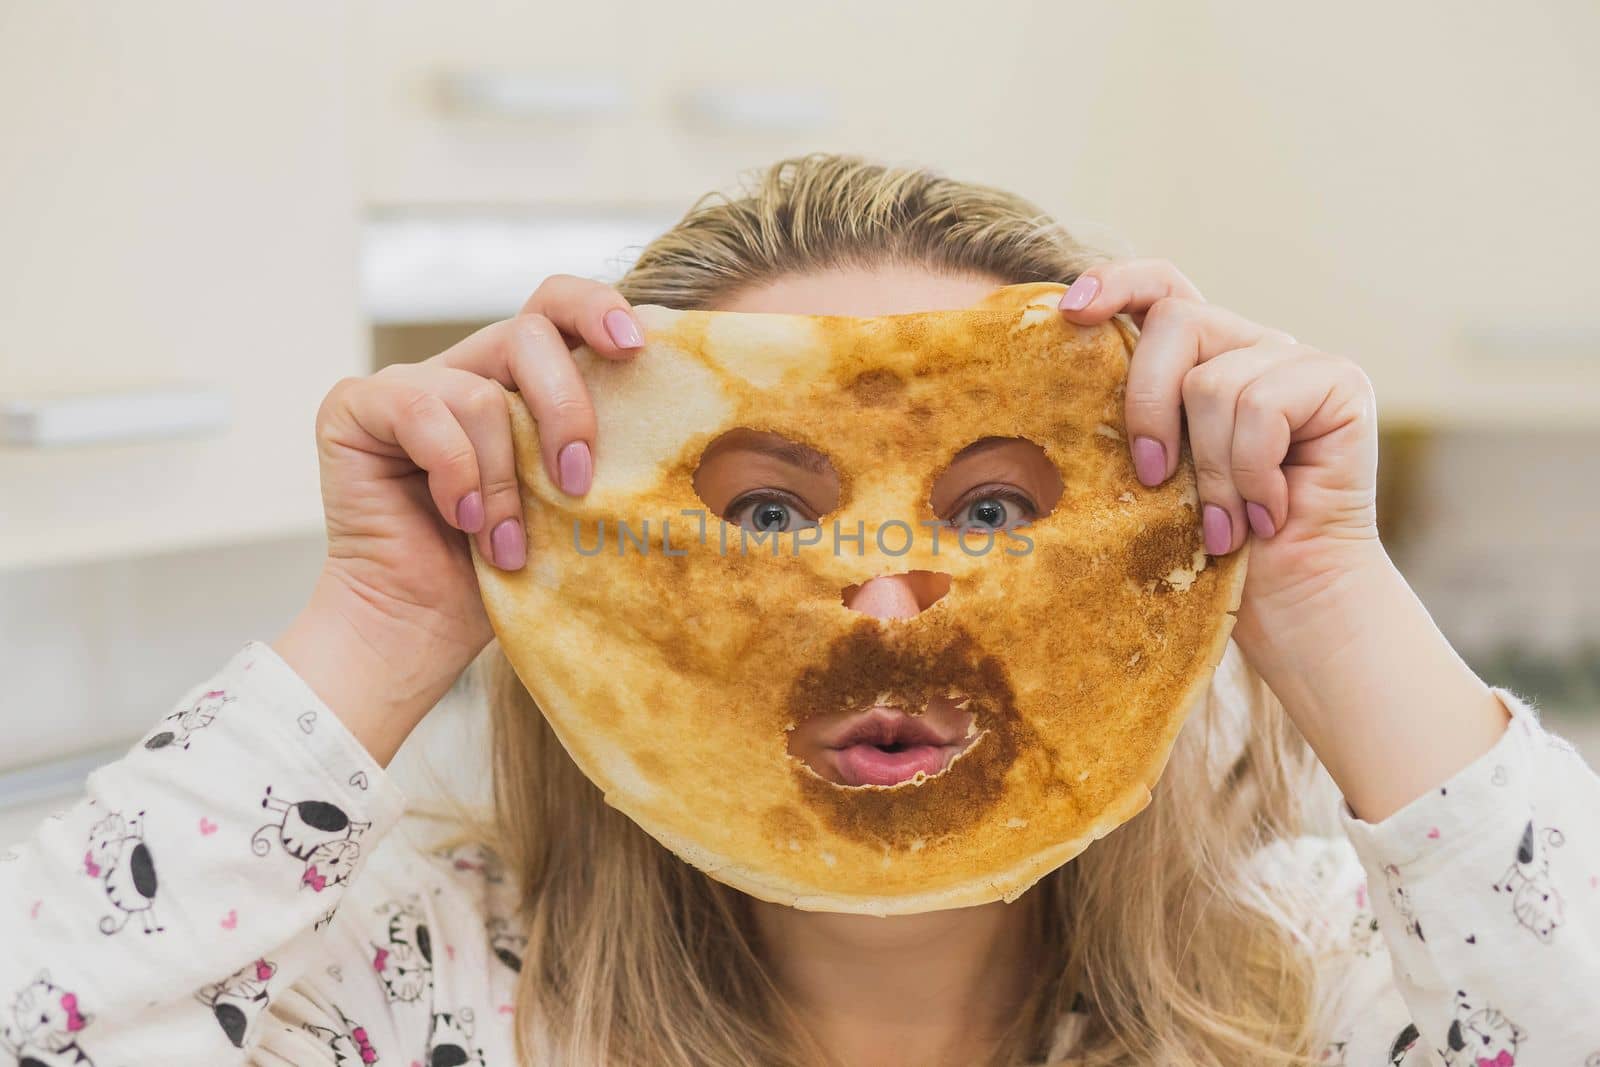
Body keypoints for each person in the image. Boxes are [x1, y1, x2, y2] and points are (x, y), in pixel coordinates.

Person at [3, 155, 1596, 1067]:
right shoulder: (415, 993)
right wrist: (382, 612)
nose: (888, 594)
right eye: (764, 510)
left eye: (994, 509)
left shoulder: (1306, 977)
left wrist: (1321, 583)